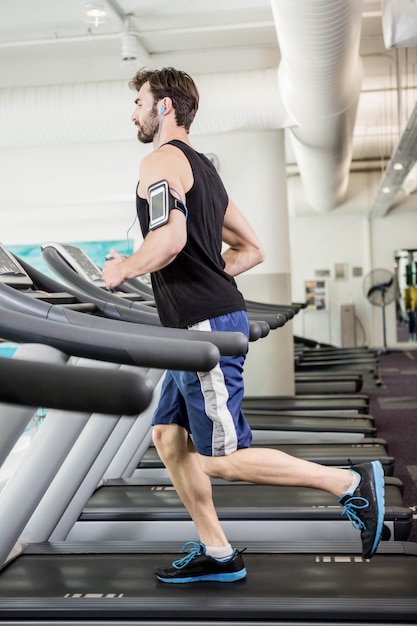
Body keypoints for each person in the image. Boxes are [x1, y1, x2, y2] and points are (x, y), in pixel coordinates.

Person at [102, 67, 385, 584]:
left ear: (164, 107)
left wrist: (122, 268)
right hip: (197, 322)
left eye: (140, 101)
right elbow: (253, 250)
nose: (134, 112)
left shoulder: (159, 161)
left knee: (221, 459)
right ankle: (217, 551)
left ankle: (349, 482)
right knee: (168, 436)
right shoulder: (206, 172)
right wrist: (203, 275)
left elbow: (167, 240)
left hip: (201, 325)